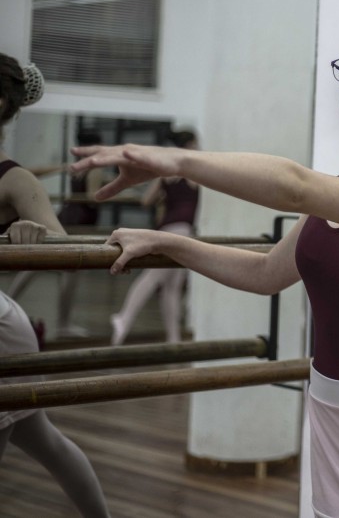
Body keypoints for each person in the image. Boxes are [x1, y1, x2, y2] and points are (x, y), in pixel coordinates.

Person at [71, 22, 339, 517]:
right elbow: (265, 274)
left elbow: (294, 186)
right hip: (335, 410)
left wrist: (174, 160)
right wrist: (170, 243)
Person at [0, 52, 111, 517]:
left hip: (1, 335)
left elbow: (68, 251)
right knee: (43, 440)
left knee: (42, 439)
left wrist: (34, 235)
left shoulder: (15, 178)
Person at [7, 129, 106, 338]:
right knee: (71, 271)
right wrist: (111, 191)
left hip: (68, 215)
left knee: (36, 264)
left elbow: (32, 171)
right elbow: (91, 197)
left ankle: (9, 302)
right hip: (81, 221)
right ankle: (63, 323)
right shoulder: (94, 169)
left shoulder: (76, 166)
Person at [109, 129, 199, 345]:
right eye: (195, 145)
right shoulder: (193, 170)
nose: (198, 149)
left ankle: (173, 337)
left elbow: (146, 200)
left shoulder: (166, 173)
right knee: (155, 279)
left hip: (167, 227)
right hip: (182, 231)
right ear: (188, 146)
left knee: (170, 286)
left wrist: (164, 196)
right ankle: (124, 318)